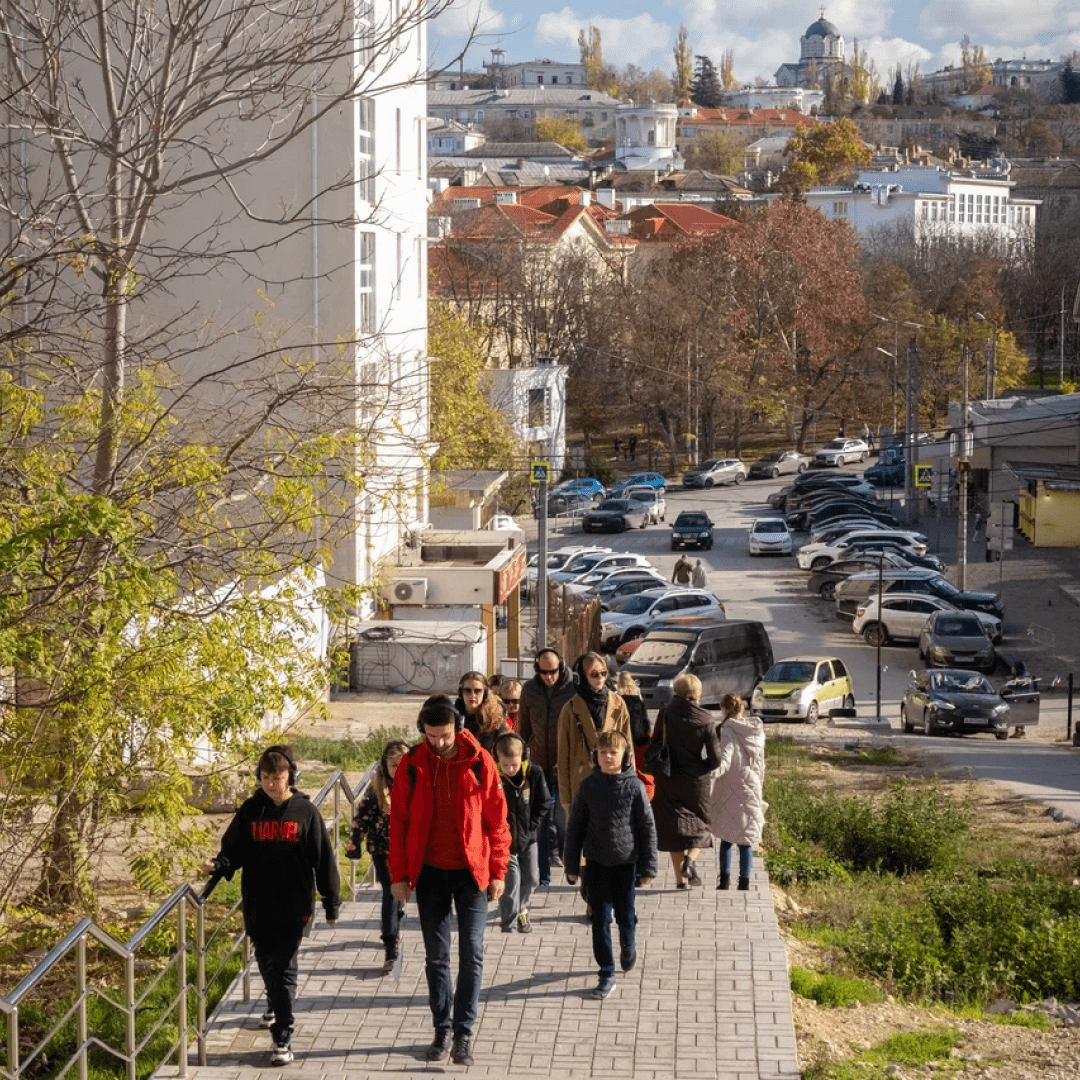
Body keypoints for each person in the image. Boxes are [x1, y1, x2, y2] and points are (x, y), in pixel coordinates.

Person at [389, 695, 511, 1067]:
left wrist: (499, 870)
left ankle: (464, 1034)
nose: (439, 742)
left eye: (444, 735)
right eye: (431, 735)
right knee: (436, 958)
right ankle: (442, 1029)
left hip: (471, 874)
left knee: (472, 954)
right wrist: (398, 875)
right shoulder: (410, 766)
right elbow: (399, 824)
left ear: (458, 728)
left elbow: (497, 820)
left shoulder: (479, 762)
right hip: (429, 876)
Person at [207, 745, 339, 1066]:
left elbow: (324, 862)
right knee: (266, 963)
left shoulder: (305, 813)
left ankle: (283, 1035)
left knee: (283, 968)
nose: (271, 783)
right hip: (258, 905)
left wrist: (331, 902)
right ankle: (275, 1002)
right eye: (265, 777)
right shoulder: (252, 810)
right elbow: (233, 850)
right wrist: (219, 865)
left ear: (290, 776)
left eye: (277, 777)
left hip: (294, 907)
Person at [564, 729, 657, 999]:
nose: (607, 757)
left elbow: (647, 828)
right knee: (599, 919)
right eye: (603, 752)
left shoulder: (634, 787)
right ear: (596, 755)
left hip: (626, 864)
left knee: (625, 917)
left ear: (624, 755)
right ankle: (606, 972)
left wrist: (649, 867)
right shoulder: (588, 786)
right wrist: (571, 865)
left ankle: (628, 945)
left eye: (613, 752)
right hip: (596, 865)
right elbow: (576, 828)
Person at [647, 673, 721, 889]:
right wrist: (702, 769)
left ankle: (681, 881)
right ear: (697, 693)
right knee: (703, 823)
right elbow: (715, 759)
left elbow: (655, 742)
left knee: (673, 827)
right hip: (696, 780)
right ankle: (691, 860)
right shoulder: (706, 719)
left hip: (668, 777)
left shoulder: (666, 713)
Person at [348, 739, 410, 974]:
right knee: (390, 894)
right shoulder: (376, 789)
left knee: (401, 892)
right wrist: (355, 841)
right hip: (383, 850)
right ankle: (391, 945)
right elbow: (362, 817)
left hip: (409, 850)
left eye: (402, 764)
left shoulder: (417, 784)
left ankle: (397, 915)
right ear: (385, 765)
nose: (398, 769)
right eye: (393, 765)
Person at [518, 648, 577, 884]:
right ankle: (542, 875)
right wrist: (523, 760)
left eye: (552, 671)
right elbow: (524, 727)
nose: (549, 676)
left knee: (564, 820)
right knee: (540, 822)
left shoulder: (574, 688)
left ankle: (571, 866)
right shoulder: (529, 690)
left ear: (561, 667)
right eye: (543, 672)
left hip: (565, 765)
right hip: (539, 766)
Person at [557, 652, 634, 823]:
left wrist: (631, 785)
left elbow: (628, 749)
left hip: (614, 782)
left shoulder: (618, 704)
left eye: (603, 673)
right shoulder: (570, 709)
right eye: (594, 674)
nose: (599, 678)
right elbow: (563, 757)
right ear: (583, 676)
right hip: (581, 784)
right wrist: (566, 800)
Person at [493, 731, 550, 934]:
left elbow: (544, 803)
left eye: (514, 765)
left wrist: (532, 826)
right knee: (512, 882)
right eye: (505, 764)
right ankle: (508, 923)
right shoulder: (495, 777)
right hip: (505, 842)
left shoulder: (533, 773)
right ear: (497, 759)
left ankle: (522, 908)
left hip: (529, 838)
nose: (509, 769)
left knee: (533, 878)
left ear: (523, 758)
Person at [711, 693, 766, 891]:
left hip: (731, 786)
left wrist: (710, 774)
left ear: (724, 710)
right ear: (741, 708)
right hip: (753, 786)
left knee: (727, 837)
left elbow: (725, 760)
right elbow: (761, 763)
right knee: (746, 838)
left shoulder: (728, 730)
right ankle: (745, 882)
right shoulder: (757, 731)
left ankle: (724, 881)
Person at [617, 670, 655, 802]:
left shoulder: (618, 699)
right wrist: (647, 735)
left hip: (626, 739)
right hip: (640, 738)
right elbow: (645, 719)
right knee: (640, 770)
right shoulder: (637, 698)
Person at [455, 670, 510, 754]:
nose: (472, 695)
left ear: (485, 693)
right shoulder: (452, 716)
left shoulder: (495, 718)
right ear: (461, 693)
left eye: (477, 691)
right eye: (467, 690)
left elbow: (504, 751)